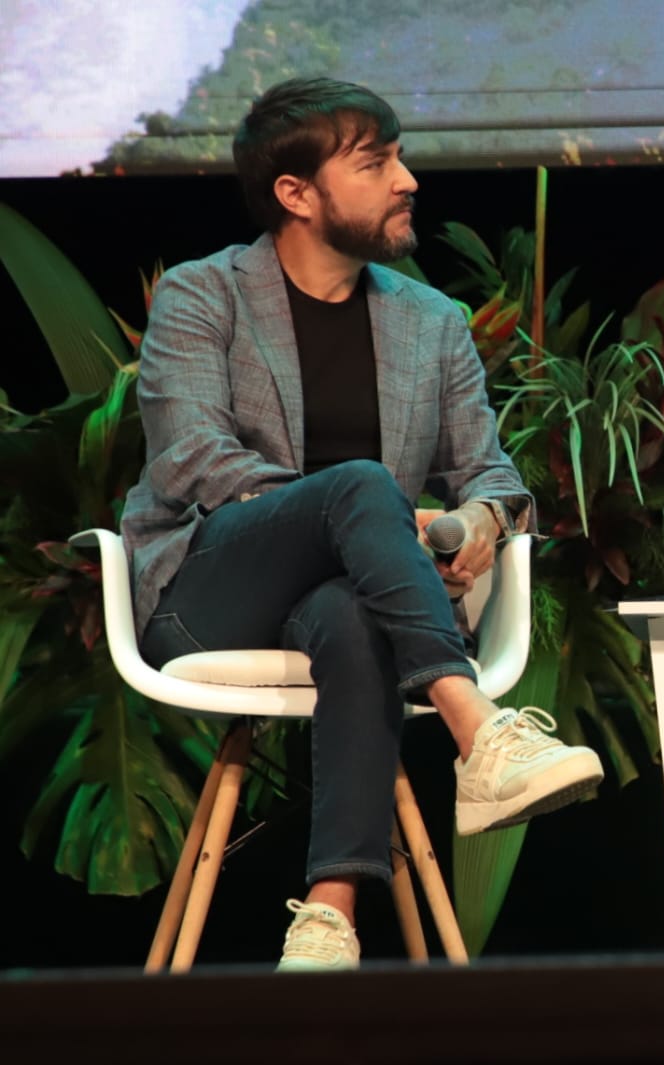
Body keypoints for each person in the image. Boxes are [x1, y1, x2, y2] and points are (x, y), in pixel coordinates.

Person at [121, 77, 603, 971]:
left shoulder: (431, 322)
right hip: (213, 591)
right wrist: (363, 509)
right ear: (295, 194)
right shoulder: (203, 297)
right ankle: (478, 730)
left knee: (351, 609)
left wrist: (468, 529)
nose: (407, 179)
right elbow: (191, 457)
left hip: (359, 600)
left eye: (400, 157)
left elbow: (492, 478)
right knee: (357, 489)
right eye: (376, 163)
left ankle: (328, 919)